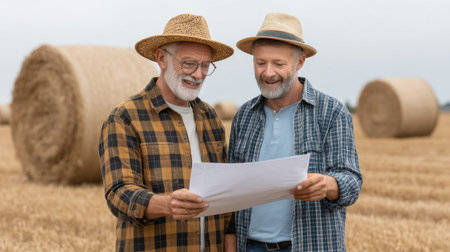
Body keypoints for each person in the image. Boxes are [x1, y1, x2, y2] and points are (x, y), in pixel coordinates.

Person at [98, 14, 236, 251]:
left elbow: (225, 197)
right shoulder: (125, 117)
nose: (198, 75)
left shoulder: (211, 118)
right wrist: (166, 204)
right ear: (161, 58)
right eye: (189, 63)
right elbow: (118, 193)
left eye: (205, 66)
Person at [228, 13, 363, 251]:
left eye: (278, 64)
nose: (268, 72)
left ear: (299, 62)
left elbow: (351, 182)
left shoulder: (331, 112)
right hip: (249, 246)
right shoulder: (244, 115)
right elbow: (231, 190)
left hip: (308, 245)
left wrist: (326, 184)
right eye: (260, 63)